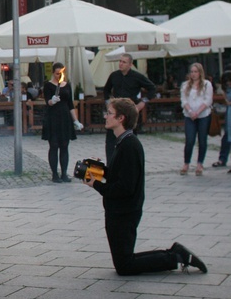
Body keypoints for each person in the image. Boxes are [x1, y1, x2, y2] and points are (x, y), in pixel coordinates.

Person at [84, 98, 207, 276]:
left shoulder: (130, 145)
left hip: (124, 211)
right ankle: (174, 254)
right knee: (124, 262)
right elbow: (120, 174)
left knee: (125, 265)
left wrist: (95, 184)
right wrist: (100, 170)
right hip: (119, 210)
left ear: (121, 118)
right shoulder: (123, 142)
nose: (106, 116)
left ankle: (174, 256)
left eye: (110, 113)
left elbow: (125, 187)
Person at [102, 53, 156, 162]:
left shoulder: (137, 76)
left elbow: (152, 88)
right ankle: (111, 165)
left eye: (124, 62)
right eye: (120, 61)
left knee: (129, 139)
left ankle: (128, 163)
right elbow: (106, 90)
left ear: (130, 64)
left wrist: (142, 103)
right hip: (115, 112)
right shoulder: (114, 75)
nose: (121, 64)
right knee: (111, 140)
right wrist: (108, 103)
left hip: (130, 113)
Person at [42, 63, 84, 183]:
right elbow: (47, 101)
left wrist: (75, 120)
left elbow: (70, 104)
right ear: (53, 73)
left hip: (65, 118)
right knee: (54, 145)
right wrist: (52, 100)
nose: (59, 75)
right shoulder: (48, 85)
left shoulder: (67, 85)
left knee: (64, 146)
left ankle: (64, 173)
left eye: (60, 73)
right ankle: (55, 174)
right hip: (53, 118)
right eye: (56, 73)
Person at [180, 63, 214, 176]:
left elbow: (208, 100)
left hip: (203, 115)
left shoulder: (206, 84)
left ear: (200, 73)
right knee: (190, 140)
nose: (193, 74)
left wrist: (198, 112)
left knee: (202, 139)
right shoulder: (185, 85)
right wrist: (190, 112)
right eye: (192, 72)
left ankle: (200, 164)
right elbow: (184, 100)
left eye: (196, 72)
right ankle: (186, 163)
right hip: (190, 116)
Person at [212, 71, 231, 171]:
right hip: (229, 114)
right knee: (227, 137)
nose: (228, 83)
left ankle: (223, 159)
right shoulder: (226, 90)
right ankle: (222, 159)